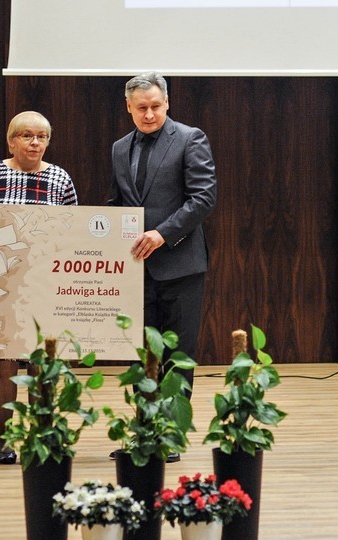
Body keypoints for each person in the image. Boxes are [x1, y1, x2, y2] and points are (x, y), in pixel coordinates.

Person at [107, 71, 217, 461]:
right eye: (141, 108)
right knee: (143, 353)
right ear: (129, 108)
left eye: (155, 106)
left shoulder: (190, 138)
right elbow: (116, 204)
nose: (149, 114)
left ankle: (170, 436)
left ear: (167, 102)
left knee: (177, 355)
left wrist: (161, 234)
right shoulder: (120, 147)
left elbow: (203, 199)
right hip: (136, 271)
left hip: (180, 266)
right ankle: (145, 432)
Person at [0, 111, 77, 465]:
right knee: (4, 361)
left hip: (45, 283)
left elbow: (72, 231)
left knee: (40, 361)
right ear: (11, 140)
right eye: (27, 136)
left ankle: (41, 433)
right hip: (1, 283)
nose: (35, 143)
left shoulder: (61, 179)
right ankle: (7, 438)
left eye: (42, 137)